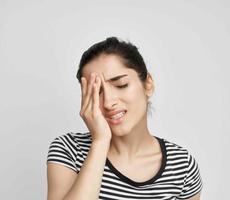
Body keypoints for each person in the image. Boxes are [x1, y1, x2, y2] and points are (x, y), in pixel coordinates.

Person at [46, 37, 203, 200]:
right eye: (96, 92)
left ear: (148, 84)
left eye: (121, 85)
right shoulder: (69, 150)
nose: (108, 102)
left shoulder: (182, 166)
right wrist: (100, 142)